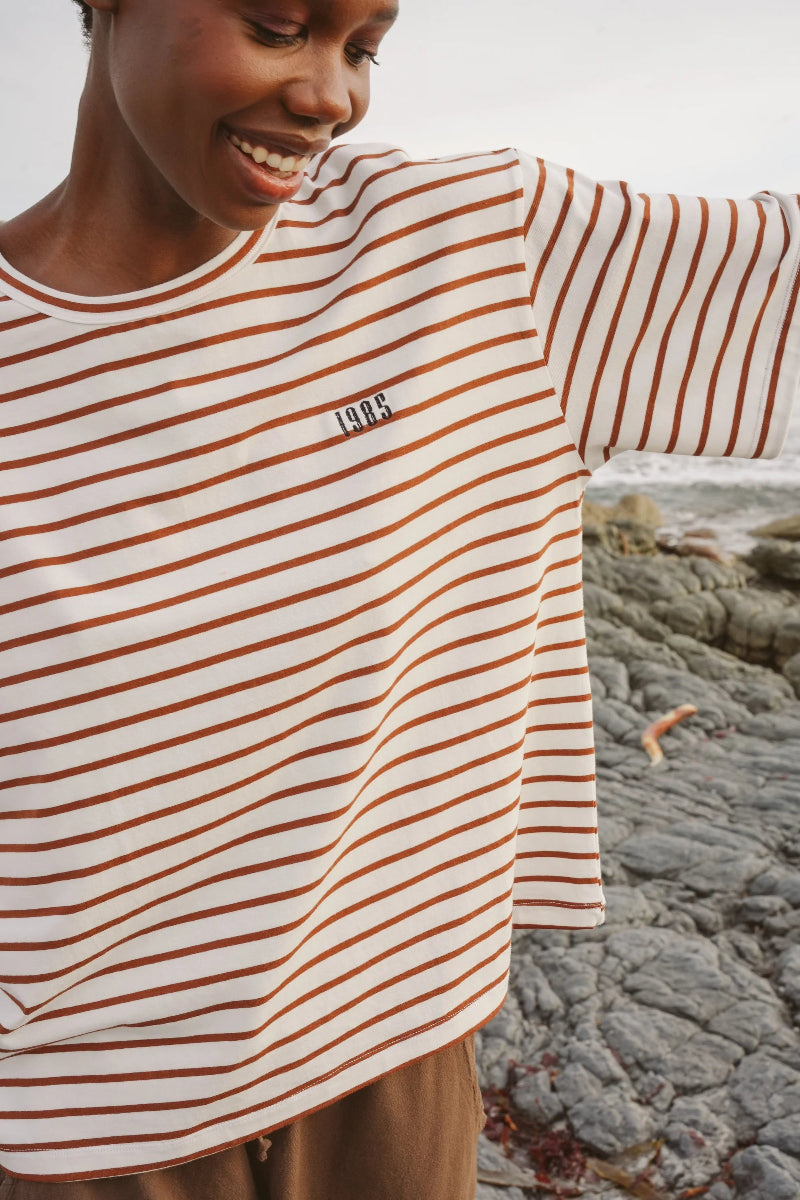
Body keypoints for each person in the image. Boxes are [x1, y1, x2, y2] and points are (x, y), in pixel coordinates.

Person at [0, 1, 797, 1196]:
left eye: (363, 46)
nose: (330, 93)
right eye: (277, 25)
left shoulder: (471, 252)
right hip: (77, 1129)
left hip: (389, 1053)